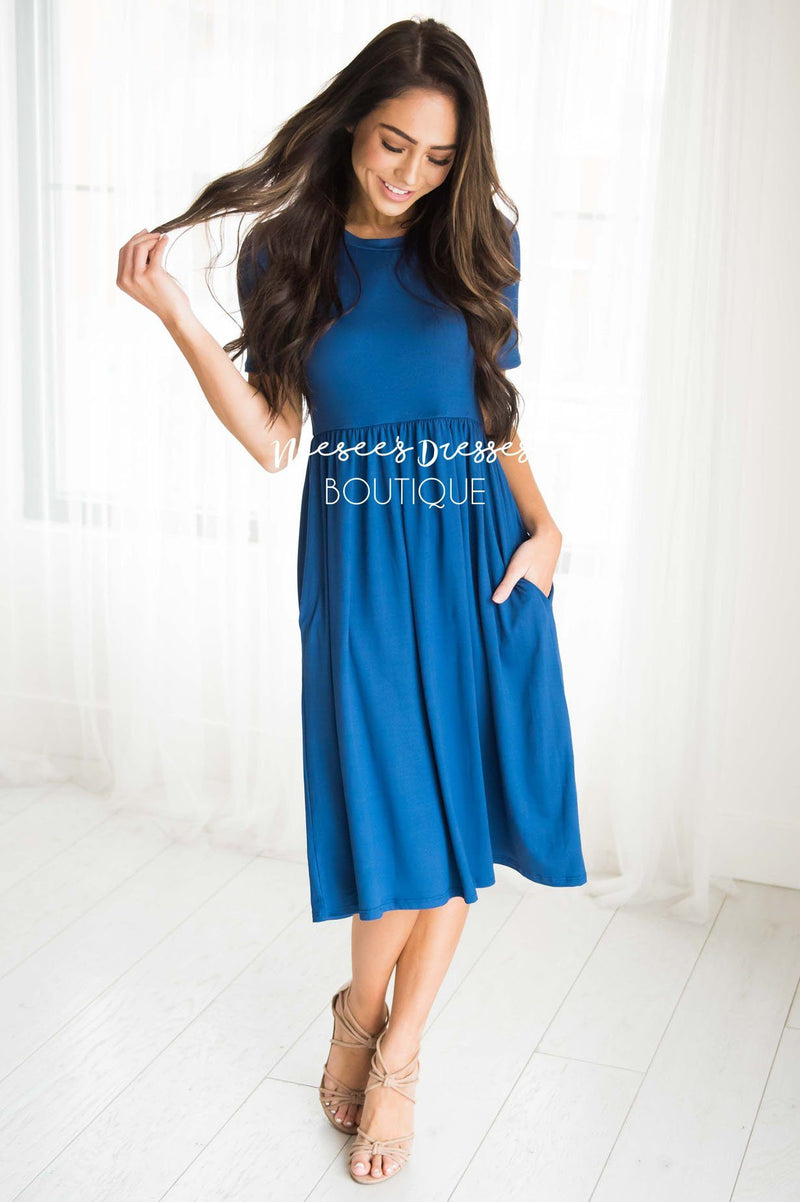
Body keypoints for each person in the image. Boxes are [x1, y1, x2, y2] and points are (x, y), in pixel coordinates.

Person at [117, 15, 587, 1186]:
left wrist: (545, 527)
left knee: (459, 812)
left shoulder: (477, 239)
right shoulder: (285, 253)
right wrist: (177, 316)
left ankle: (395, 1049)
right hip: (361, 554)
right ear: (350, 122)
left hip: (477, 548)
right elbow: (274, 435)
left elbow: (491, 407)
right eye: (392, 144)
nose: (410, 174)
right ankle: (357, 1006)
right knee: (398, 814)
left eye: (437, 157)